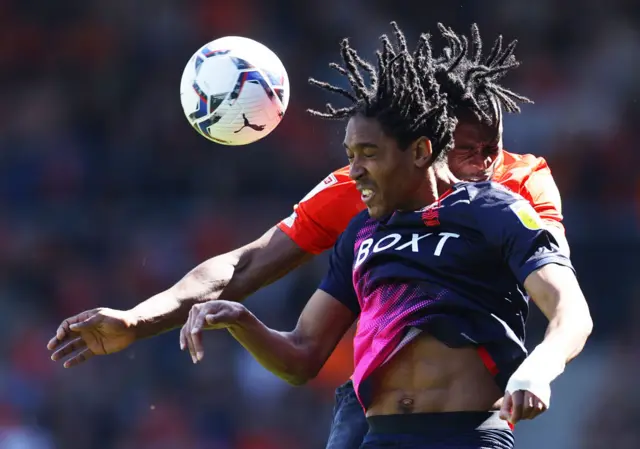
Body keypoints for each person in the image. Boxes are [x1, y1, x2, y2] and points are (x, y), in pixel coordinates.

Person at [46, 23, 568, 449]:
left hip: (470, 410)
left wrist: (539, 364)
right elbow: (246, 266)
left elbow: (556, 283)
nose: (483, 165)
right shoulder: (365, 187)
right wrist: (138, 321)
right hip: (380, 406)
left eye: (492, 150)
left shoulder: (515, 191)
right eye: (468, 149)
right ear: (428, 141)